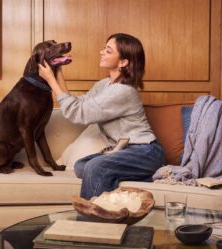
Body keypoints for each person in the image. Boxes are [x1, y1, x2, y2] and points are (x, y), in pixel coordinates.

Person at [38, 33, 165, 200]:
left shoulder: (123, 91)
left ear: (123, 62)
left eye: (108, 50)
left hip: (145, 152)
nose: (101, 52)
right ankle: (146, 177)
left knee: (96, 167)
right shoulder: (104, 84)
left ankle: (93, 220)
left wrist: (50, 80)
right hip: (123, 151)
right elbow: (77, 103)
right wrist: (58, 71)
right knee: (81, 166)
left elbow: (77, 113)